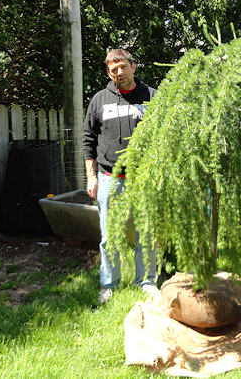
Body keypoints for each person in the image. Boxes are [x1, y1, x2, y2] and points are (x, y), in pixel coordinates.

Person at [83, 49, 157, 303]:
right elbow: (88, 139)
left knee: (145, 233)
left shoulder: (151, 98)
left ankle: (146, 281)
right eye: (113, 69)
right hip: (108, 178)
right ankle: (109, 284)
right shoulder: (100, 100)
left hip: (143, 178)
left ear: (133, 66)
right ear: (108, 72)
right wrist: (91, 177)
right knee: (109, 236)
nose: (119, 73)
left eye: (123, 66)